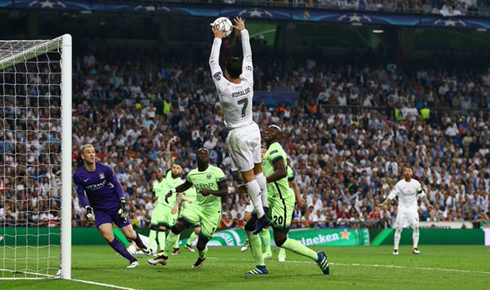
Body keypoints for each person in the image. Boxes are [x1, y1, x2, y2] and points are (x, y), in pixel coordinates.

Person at [209, 16, 270, 234]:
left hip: (238, 134)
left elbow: (213, 63)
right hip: (253, 128)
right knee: (258, 169)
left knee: (247, 176)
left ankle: (262, 215)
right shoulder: (248, 80)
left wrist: (217, 38)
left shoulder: (224, 88)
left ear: (227, 73)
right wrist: (243, 32)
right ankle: (265, 205)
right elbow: (249, 55)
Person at [242, 125, 329, 275]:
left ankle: (318, 257)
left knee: (281, 240)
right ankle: (261, 267)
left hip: (280, 201)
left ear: (278, 137)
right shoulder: (266, 152)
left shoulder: (275, 148)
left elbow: (281, 172)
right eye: (267, 130)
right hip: (270, 199)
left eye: (272, 131)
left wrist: (261, 182)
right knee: (249, 226)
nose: (267, 132)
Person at [148, 148, 228, 269]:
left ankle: (201, 258)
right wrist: (173, 191)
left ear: (208, 157)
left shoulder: (217, 172)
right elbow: (186, 185)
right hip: (197, 207)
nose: (203, 155)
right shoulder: (192, 174)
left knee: (201, 245)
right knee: (177, 226)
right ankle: (164, 257)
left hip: (212, 212)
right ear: (196, 157)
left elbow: (225, 191)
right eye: (200, 153)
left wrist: (210, 192)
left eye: (205, 153)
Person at [73, 144, 149, 269]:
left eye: (93, 152)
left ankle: (142, 246)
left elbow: (117, 184)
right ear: (82, 156)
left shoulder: (105, 169)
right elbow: (81, 194)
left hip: (115, 205)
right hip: (99, 209)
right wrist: (87, 208)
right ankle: (132, 260)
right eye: (88, 152)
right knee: (107, 235)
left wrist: (123, 203)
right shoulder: (79, 175)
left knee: (129, 235)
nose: (92, 154)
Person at [148, 137, 194, 255]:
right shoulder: (168, 174)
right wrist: (168, 145)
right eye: (174, 167)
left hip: (171, 208)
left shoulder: (180, 182)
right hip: (162, 206)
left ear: (181, 171)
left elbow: (180, 195)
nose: (174, 169)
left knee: (173, 230)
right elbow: (168, 158)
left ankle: (176, 247)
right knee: (161, 228)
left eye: (177, 168)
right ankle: (162, 250)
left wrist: (176, 206)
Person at [380, 167, 433, 255]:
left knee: (416, 226)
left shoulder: (416, 183)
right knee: (399, 228)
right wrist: (384, 203)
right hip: (402, 209)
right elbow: (392, 195)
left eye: (409, 171)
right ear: (403, 173)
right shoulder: (399, 184)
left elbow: (422, 195)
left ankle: (415, 248)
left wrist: (428, 205)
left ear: (412, 173)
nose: (407, 172)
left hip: (412, 209)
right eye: (406, 171)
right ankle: (395, 249)